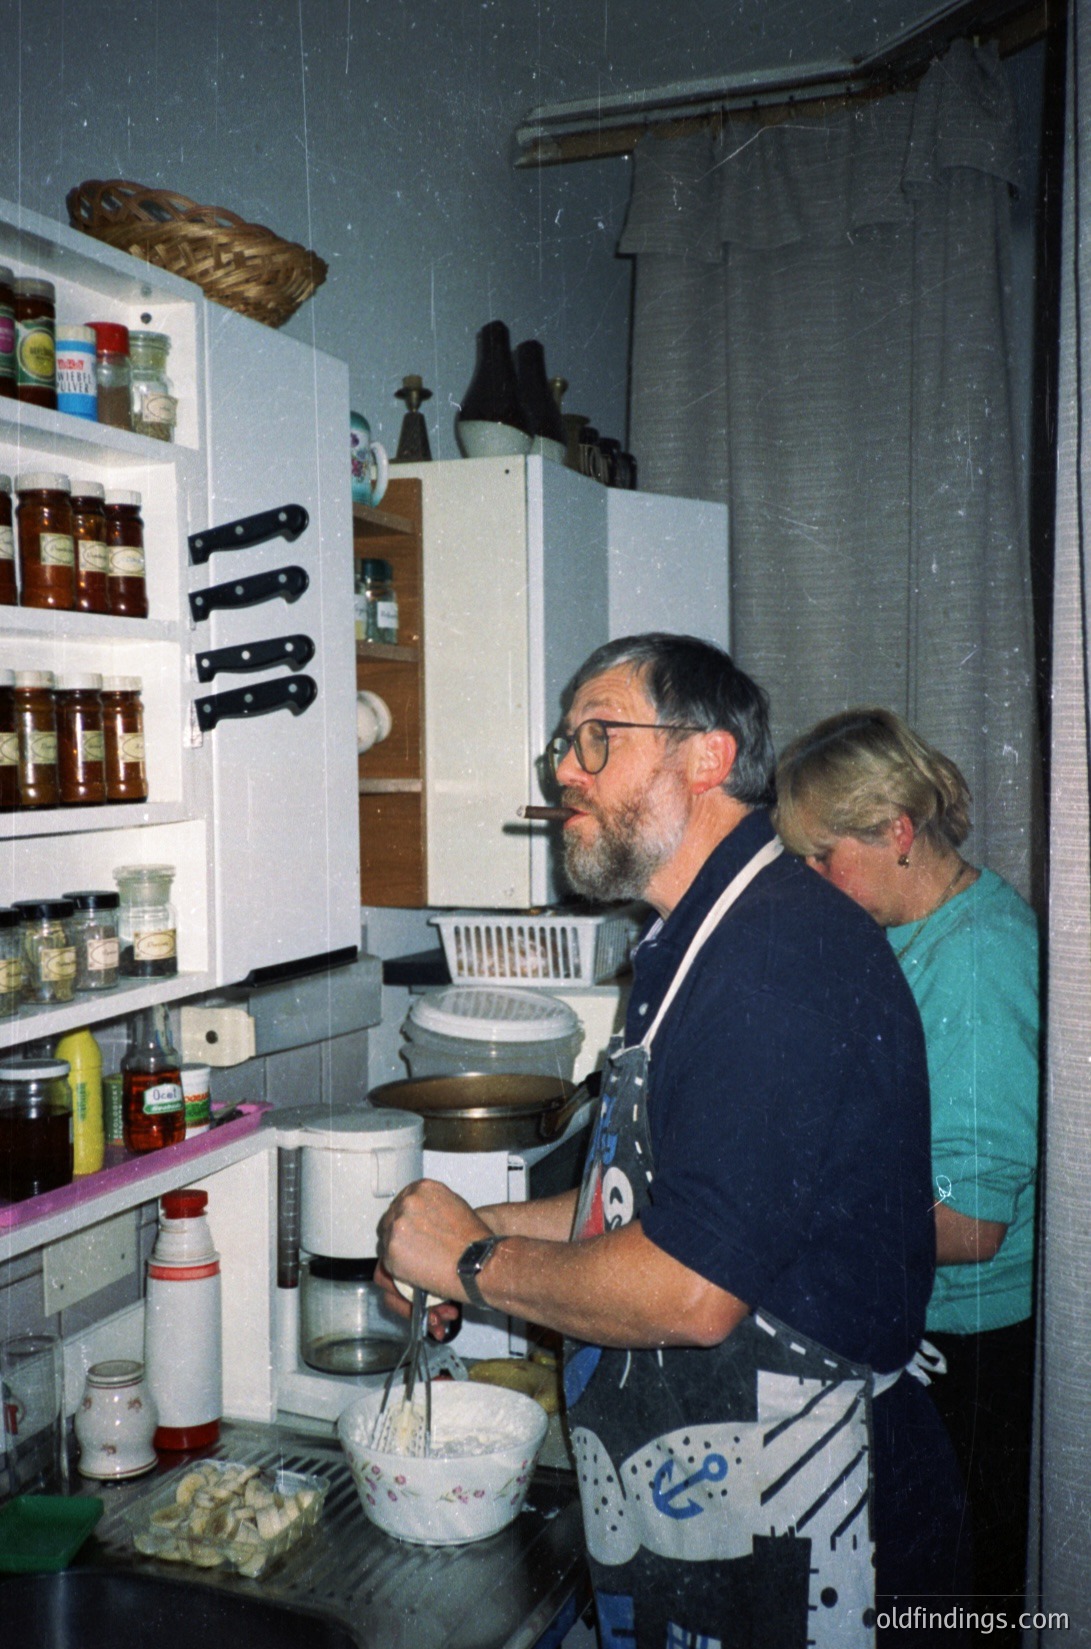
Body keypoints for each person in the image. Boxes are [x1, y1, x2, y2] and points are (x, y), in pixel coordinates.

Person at [378, 635, 968, 1647]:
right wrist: (469, 1225)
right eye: (566, 742)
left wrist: (473, 1262)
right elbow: (642, 1201)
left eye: (597, 736)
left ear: (705, 755)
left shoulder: (773, 951)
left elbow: (693, 1289)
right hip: (724, 1493)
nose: (564, 767)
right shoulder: (695, 937)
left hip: (814, 1522)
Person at [775, 707, 1039, 1635]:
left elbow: (972, 1224)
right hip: (911, 1320)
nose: (810, 881)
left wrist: (788, 1227)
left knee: (954, 1608)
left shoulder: (975, 962)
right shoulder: (907, 935)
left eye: (822, 854)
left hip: (966, 1346)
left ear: (897, 832)